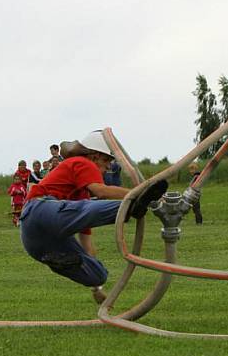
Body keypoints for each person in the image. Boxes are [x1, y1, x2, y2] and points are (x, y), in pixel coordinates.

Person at [20, 130, 167, 303]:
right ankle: (133, 205)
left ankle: (63, 264)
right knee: (98, 207)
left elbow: (86, 241)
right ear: (94, 156)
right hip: (39, 210)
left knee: (99, 274)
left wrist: (96, 288)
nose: (107, 167)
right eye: (105, 161)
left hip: (37, 243)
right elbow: (101, 191)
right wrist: (138, 194)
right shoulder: (82, 162)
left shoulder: (80, 202)